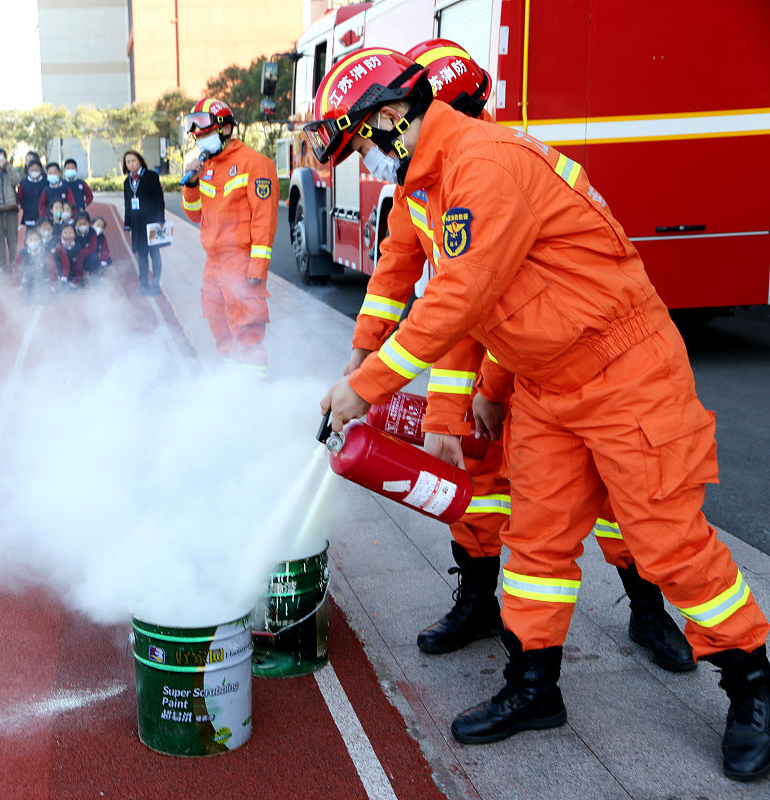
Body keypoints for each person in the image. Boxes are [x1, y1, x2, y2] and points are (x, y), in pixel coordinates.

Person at [308, 46, 770, 781]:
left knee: (668, 541)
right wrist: (488, 389)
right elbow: (497, 301)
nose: (364, 160)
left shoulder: (482, 165)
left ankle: (753, 689)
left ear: (392, 118)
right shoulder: (432, 180)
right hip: (547, 382)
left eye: (363, 141)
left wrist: (367, 385)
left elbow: (460, 297)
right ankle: (534, 687)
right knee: (537, 540)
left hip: (625, 373)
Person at [334, 40, 693, 670]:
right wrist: (368, 360)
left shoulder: (489, 169)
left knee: (615, 495)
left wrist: (491, 390)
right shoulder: (419, 187)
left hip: (544, 359)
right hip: (483, 349)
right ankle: (482, 605)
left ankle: (648, 609)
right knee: (484, 492)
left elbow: (495, 303)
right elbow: (398, 275)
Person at [181, 98, 278, 366]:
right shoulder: (206, 167)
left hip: (241, 263)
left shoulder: (255, 164)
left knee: (246, 329)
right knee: (219, 327)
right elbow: (194, 213)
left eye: (206, 134)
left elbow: (264, 220)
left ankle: (254, 388)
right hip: (213, 265)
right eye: (197, 137)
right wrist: (191, 185)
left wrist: (257, 269)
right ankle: (233, 382)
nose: (201, 141)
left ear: (225, 129)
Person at [121, 150, 166, 295]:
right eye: (128, 161)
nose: (131, 163)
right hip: (137, 224)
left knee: (154, 254)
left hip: (152, 221)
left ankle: (156, 285)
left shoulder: (151, 176)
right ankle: (144, 284)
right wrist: (127, 224)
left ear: (140, 160)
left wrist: (160, 219)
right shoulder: (127, 182)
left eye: (133, 160)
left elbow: (159, 198)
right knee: (141, 255)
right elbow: (127, 204)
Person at [14, 228, 58, 304]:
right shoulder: (22, 254)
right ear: (26, 241)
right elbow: (16, 269)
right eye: (30, 239)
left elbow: (53, 270)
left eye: (36, 239)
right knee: (25, 302)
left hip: (43, 280)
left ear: (40, 241)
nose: (33, 242)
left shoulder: (46, 254)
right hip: (27, 280)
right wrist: (18, 283)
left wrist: (53, 283)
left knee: (43, 301)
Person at [16, 160, 46, 232]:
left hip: (44, 216)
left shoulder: (46, 182)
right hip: (29, 215)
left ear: (41, 170)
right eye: (32, 170)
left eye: (36, 169)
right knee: (30, 237)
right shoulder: (23, 183)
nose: (34, 171)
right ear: (28, 170)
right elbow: (20, 198)